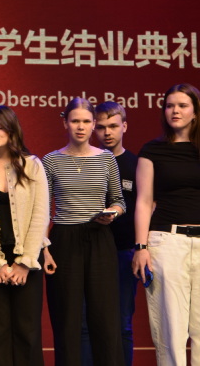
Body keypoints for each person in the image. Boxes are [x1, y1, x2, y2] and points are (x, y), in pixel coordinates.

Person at [42, 97, 126, 366]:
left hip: (100, 237)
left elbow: (119, 200)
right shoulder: (51, 160)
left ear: (93, 125)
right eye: (75, 121)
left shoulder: (106, 159)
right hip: (64, 239)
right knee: (67, 318)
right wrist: (44, 249)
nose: (81, 127)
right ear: (65, 123)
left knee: (105, 317)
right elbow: (42, 209)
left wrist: (112, 213)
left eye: (86, 121)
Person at [0, 105, 49, 366]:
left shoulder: (32, 165)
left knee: (27, 332)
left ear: (12, 130)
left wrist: (25, 262)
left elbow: (40, 215)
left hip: (26, 261)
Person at [133, 83, 200, 366]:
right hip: (167, 241)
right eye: (170, 106)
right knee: (171, 329)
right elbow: (144, 201)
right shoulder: (153, 150)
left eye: (182, 105)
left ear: (195, 112)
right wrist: (141, 247)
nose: (175, 111)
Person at [80, 101, 139, 366]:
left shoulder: (136, 164)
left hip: (124, 252)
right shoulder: (84, 161)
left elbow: (146, 208)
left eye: (113, 126)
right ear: (94, 128)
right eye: (102, 127)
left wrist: (141, 248)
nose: (107, 132)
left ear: (124, 126)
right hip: (89, 250)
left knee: (122, 323)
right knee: (86, 323)